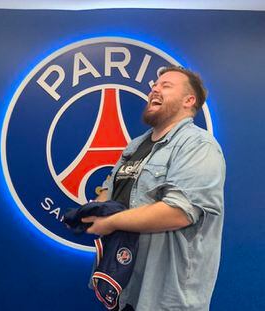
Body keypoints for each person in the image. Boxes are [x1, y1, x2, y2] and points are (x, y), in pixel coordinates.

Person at [83, 66, 226, 311]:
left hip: (165, 297)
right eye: (154, 85)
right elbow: (109, 192)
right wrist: (93, 211)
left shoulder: (199, 146)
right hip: (124, 286)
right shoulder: (135, 146)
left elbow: (178, 212)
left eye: (166, 85)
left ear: (188, 101)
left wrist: (111, 222)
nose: (154, 89)